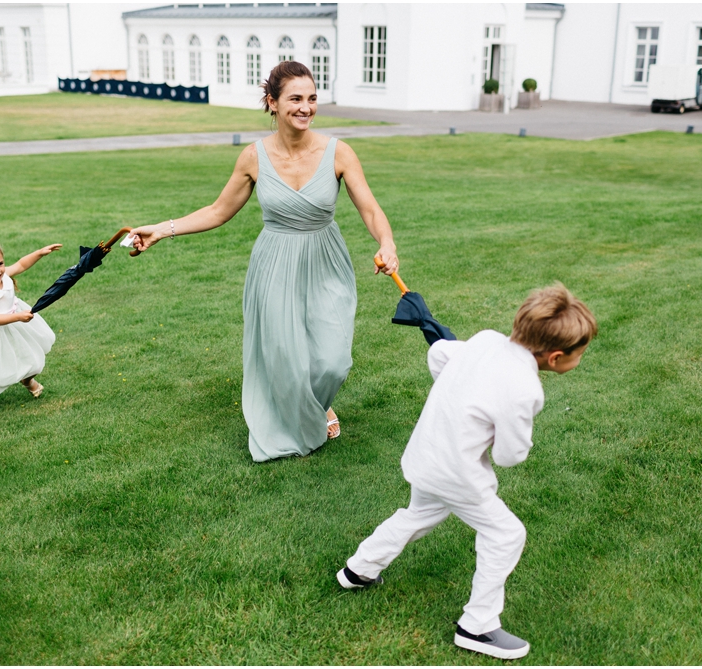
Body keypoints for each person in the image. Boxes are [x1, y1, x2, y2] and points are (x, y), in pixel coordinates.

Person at [129, 61, 399, 462]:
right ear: (272, 103)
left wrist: (387, 242)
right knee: (286, 358)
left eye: (311, 99)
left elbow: (371, 210)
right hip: (274, 264)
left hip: (326, 259)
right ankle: (301, 418)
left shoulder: (338, 152)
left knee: (333, 360)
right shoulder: (253, 158)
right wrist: (162, 230)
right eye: (295, 99)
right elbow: (219, 211)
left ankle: (318, 402)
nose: (305, 108)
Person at [336, 283, 598, 660]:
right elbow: (510, 455)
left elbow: (440, 355)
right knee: (506, 534)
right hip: (456, 474)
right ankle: (478, 627)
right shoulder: (525, 388)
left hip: (424, 455)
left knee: (420, 515)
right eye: (579, 354)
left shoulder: (486, 340)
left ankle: (358, 570)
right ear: (556, 357)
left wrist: (462, 398)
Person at [0, 236, 61, 444]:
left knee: (32, 359)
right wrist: (18, 317)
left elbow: (21, 264)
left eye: (0, 263)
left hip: (14, 324)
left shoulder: (3, 275)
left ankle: (28, 381)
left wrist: (39, 253)